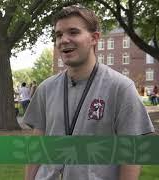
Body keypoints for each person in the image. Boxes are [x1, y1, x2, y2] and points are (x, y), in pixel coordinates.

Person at [24, 5, 154, 180]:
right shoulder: (46, 88)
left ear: (94, 38)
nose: (64, 40)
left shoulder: (121, 88)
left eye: (73, 32)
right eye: (59, 35)